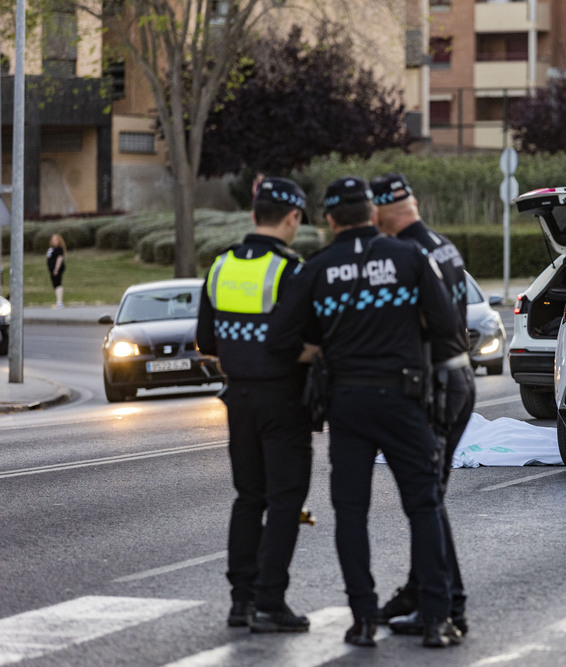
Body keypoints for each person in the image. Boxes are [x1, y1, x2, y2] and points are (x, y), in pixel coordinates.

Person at [266, 176, 463, 649]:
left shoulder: (315, 269)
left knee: (351, 513)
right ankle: (437, 619)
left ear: (330, 220)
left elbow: (279, 340)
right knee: (424, 506)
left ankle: (362, 620)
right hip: (404, 399)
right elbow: (448, 329)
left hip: (347, 403)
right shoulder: (410, 257)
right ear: (372, 214)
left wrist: (325, 353)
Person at [195, 176, 314, 634]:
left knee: (248, 497)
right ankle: (270, 600)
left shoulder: (220, 266)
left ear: (252, 215)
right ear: (292, 218)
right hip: (283, 399)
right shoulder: (291, 270)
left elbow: (206, 339)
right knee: (286, 500)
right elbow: (305, 339)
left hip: (237, 397)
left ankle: (240, 602)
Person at [368, 172, 474, 636]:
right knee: (428, 496)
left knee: (426, 497)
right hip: (458, 375)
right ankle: (423, 590)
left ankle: (449, 604)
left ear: (379, 213)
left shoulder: (409, 254)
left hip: (437, 383)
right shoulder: (442, 244)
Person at [46, 233, 67, 308]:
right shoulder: (51, 248)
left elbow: (60, 258)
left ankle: (60, 302)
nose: (54, 241)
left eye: (56, 239)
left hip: (57, 269)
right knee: (55, 284)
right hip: (51, 269)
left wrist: (56, 268)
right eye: (53, 239)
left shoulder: (59, 248)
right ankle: (58, 301)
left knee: (58, 283)